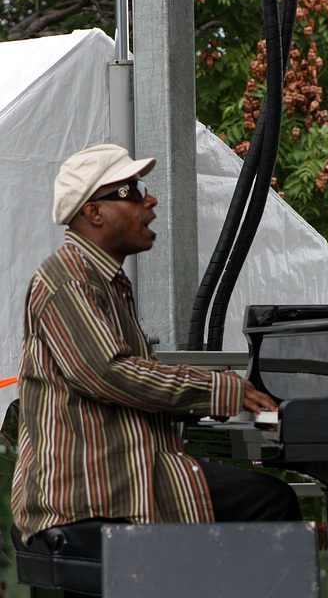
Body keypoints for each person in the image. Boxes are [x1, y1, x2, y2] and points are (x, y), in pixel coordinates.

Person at [12, 143, 300, 545]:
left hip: (125, 474)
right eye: (131, 191)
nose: (150, 199)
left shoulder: (104, 282)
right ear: (93, 212)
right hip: (88, 493)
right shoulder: (68, 279)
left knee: (260, 500)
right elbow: (111, 374)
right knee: (271, 502)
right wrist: (217, 389)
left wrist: (217, 398)